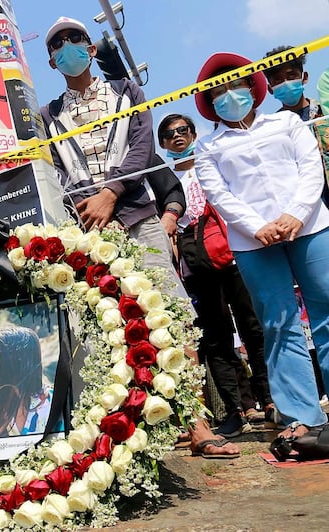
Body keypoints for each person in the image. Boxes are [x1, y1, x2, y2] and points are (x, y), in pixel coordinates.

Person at [193, 51, 329, 440]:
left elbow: (310, 169)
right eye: (219, 90)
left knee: (327, 313)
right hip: (254, 243)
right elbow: (219, 195)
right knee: (278, 323)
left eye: (236, 84)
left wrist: (296, 215)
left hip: (312, 228)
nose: (229, 94)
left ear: (253, 88)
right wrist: (258, 227)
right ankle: (302, 418)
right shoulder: (207, 147)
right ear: (209, 102)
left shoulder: (287, 123)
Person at [39, 16, 188, 300]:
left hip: (139, 216)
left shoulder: (126, 91)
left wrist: (110, 193)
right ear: (52, 62)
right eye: (58, 44)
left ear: (91, 49)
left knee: (170, 308)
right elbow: (56, 172)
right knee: (114, 320)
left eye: (74, 39)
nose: (67, 46)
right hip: (89, 226)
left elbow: (142, 147)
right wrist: (91, 208)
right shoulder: (48, 115)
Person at [159, 113, 273, 436]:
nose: (177, 136)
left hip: (233, 252)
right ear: (163, 144)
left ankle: (269, 400)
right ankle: (236, 410)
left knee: (253, 327)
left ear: (194, 134)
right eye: (169, 134)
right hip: (195, 265)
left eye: (183, 130)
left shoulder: (213, 160)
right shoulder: (162, 179)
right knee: (216, 338)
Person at [263, 45, 328, 208]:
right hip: (306, 209)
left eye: (291, 76)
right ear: (270, 89)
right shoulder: (270, 130)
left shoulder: (325, 113)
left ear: (304, 77)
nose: (286, 83)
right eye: (277, 80)